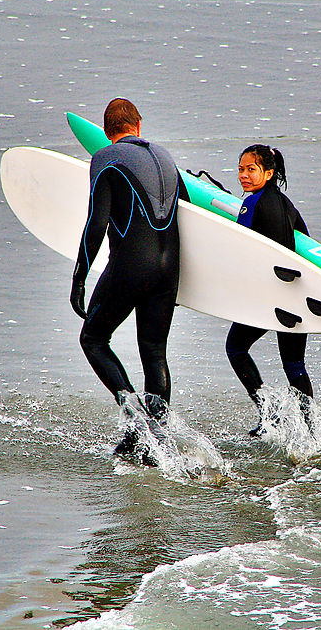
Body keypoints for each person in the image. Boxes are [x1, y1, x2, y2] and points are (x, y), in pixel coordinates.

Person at [69, 98, 187, 442]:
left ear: (107, 133)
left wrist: (80, 277)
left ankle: (137, 427)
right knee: (154, 350)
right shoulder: (166, 157)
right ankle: (159, 440)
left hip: (132, 265)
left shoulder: (105, 158)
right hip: (170, 269)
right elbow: (190, 216)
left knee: (92, 338)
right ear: (138, 125)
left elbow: (96, 222)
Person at [225, 144, 313, 435]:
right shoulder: (287, 204)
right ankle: (314, 432)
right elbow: (306, 243)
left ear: (269, 172)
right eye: (241, 169)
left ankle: (269, 414)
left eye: (251, 169)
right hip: (296, 295)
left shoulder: (252, 204)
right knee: (294, 364)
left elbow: (242, 249)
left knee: (236, 347)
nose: (244, 176)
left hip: (272, 296)